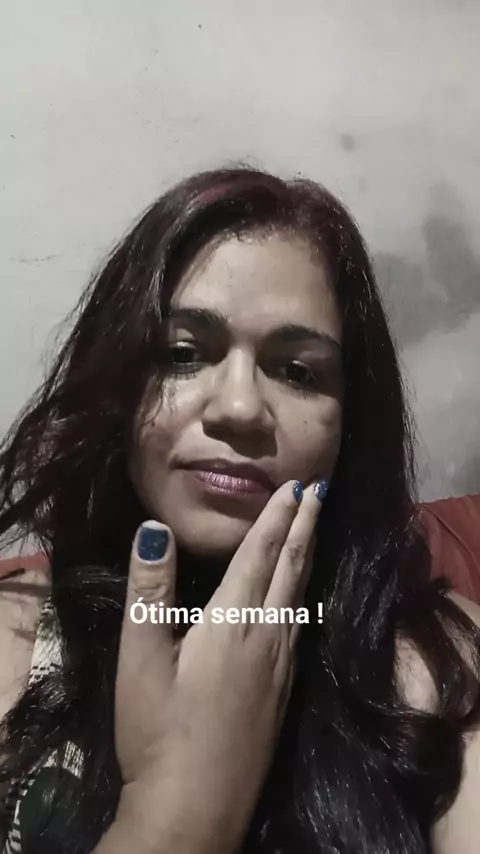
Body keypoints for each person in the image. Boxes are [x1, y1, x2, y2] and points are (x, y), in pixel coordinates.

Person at [0, 166, 479, 854]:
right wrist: (177, 815)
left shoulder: (443, 658)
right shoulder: (15, 639)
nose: (239, 408)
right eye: (182, 353)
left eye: (298, 371)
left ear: (351, 424)